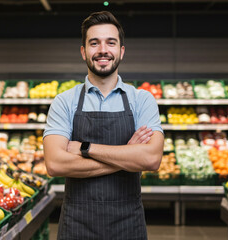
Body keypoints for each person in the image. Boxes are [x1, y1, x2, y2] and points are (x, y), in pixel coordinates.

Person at [43, 11, 164, 239]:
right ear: (83, 52)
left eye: (111, 42)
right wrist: (128, 157)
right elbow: (55, 164)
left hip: (128, 225)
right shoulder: (64, 102)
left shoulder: (142, 100)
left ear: (121, 51)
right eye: (94, 43)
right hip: (76, 226)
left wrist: (85, 148)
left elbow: (151, 159)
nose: (102, 50)